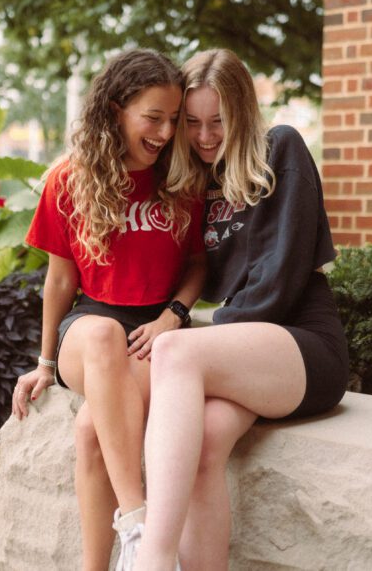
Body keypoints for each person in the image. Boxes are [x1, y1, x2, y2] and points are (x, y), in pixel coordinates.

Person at [133, 49, 349, 570]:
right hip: (252, 352)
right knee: (205, 448)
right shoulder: (200, 180)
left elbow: (280, 279)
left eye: (218, 122)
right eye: (192, 123)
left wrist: (195, 337)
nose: (205, 136)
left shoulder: (282, 148)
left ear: (242, 113)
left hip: (303, 343)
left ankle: (152, 559)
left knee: (177, 354)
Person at [11, 48, 206, 571]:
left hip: (153, 331)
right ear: (117, 108)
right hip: (90, 325)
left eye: (172, 120)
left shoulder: (182, 181)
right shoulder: (68, 180)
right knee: (99, 336)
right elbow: (59, 280)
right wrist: (45, 363)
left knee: (90, 432)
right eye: (153, 117)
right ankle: (139, 524)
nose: (165, 133)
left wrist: (174, 315)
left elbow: (198, 266)